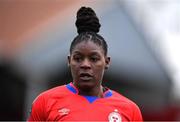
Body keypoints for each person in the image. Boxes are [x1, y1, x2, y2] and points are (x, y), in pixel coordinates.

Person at [27, 6, 143, 121]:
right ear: (69, 61)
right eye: (78, 58)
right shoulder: (45, 102)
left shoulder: (130, 110)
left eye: (93, 59)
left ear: (106, 62)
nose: (85, 65)